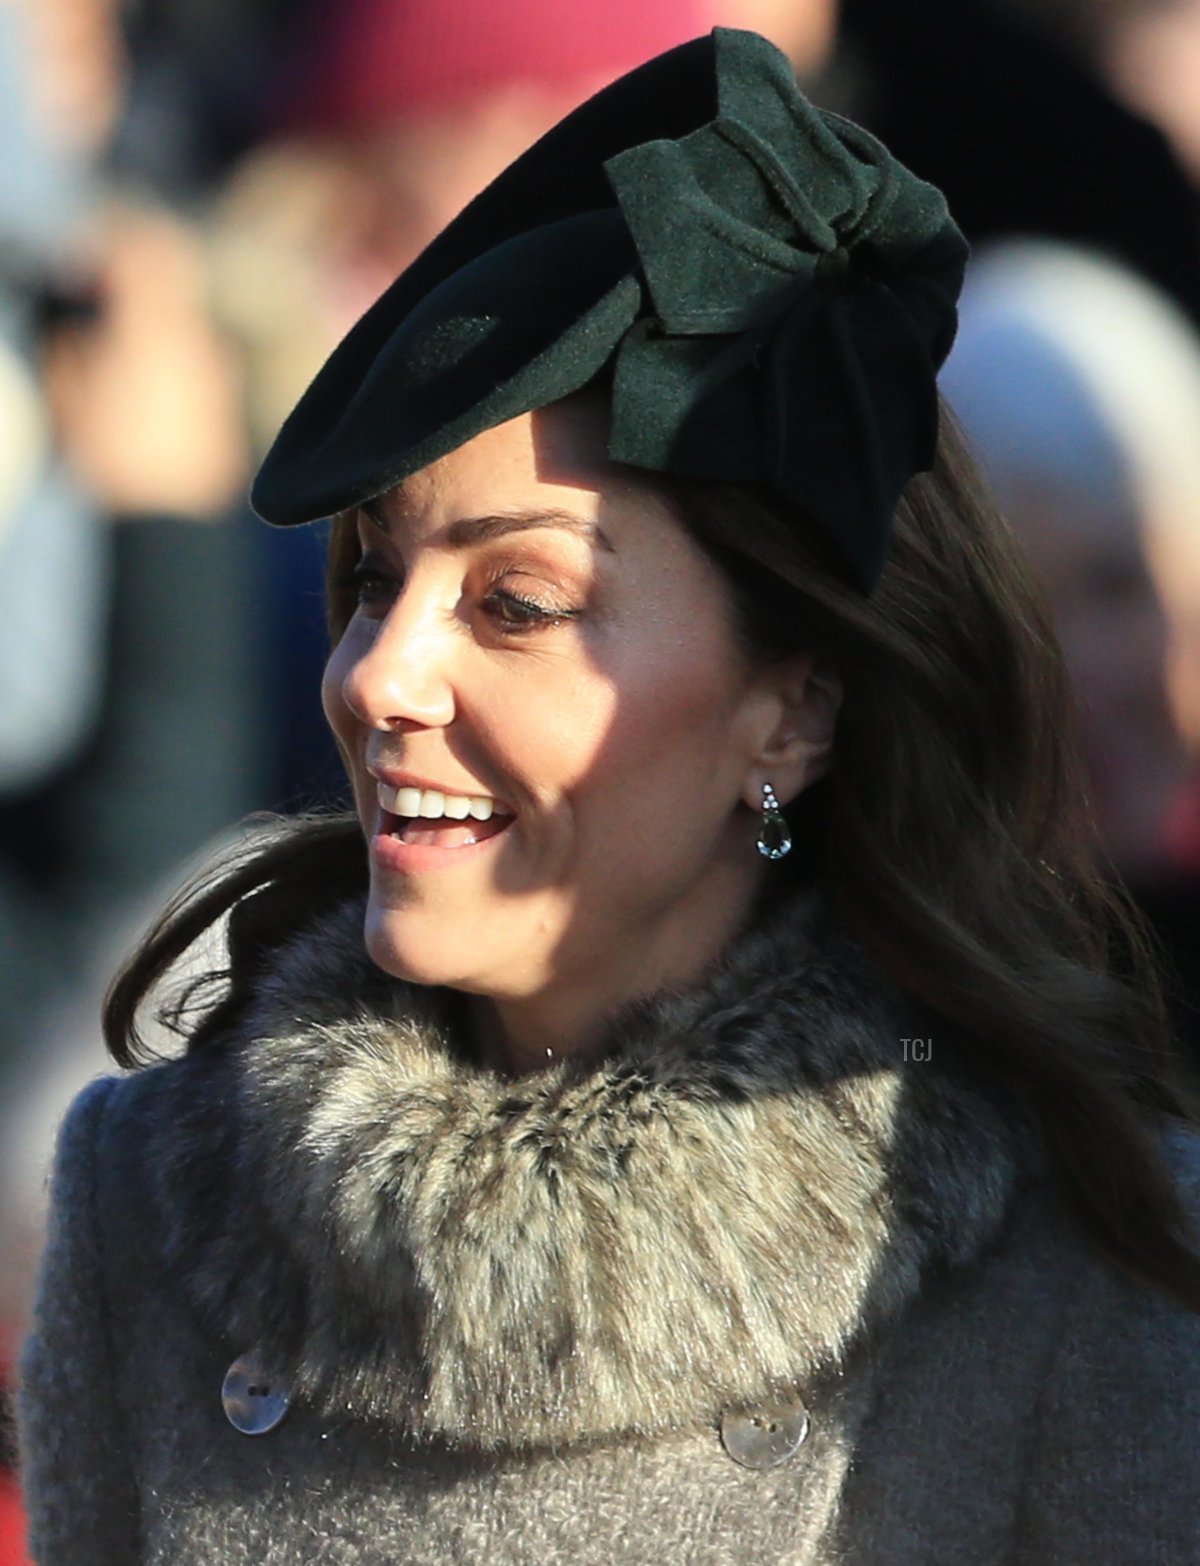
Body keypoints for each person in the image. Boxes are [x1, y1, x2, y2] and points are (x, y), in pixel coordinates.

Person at [16, 28, 1200, 1565]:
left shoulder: (1082, 1258)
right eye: (376, 578)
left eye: (516, 601)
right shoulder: (148, 1206)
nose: (377, 678)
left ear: (796, 705)